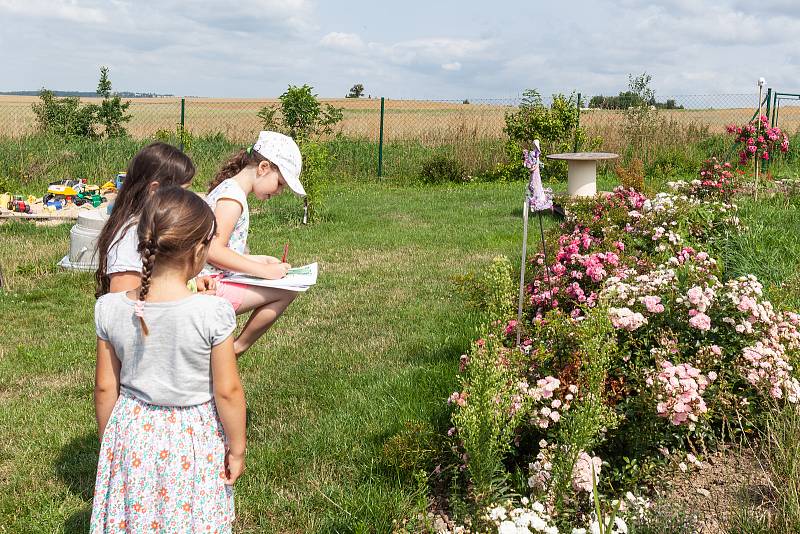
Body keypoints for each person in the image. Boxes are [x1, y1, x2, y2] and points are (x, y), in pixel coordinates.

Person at [91, 187, 246, 532]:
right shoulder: (213, 312)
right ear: (199, 250)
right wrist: (236, 449)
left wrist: (110, 441)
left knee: (138, 515)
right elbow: (228, 392)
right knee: (189, 516)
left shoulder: (110, 308)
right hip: (191, 437)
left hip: (131, 432)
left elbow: (105, 387)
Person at [203, 131, 305, 357]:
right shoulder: (232, 198)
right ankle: (236, 349)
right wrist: (264, 272)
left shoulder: (231, 190)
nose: (279, 192)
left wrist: (260, 260)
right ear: (263, 168)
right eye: (279, 183)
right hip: (207, 288)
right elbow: (212, 251)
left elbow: (222, 251)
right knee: (287, 292)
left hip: (212, 279)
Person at [94, 142, 216, 296]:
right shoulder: (130, 238)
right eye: (182, 191)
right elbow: (122, 306)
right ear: (155, 190)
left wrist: (190, 284)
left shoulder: (154, 227)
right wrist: (191, 303)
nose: (187, 197)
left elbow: (160, 279)